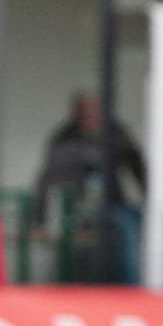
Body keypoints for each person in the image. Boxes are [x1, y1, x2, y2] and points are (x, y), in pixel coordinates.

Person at [34, 92, 144, 283]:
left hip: (114, 205)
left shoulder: (116, 134)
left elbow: (138, 167)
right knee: (70, 250)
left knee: (125, 238)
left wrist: (148, 197)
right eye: (83, 111)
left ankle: (130, 290)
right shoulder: (65, 138)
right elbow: (46, 179)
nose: (89, 116)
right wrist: (39, 219)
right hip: (76, 208)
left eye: (94, 111)